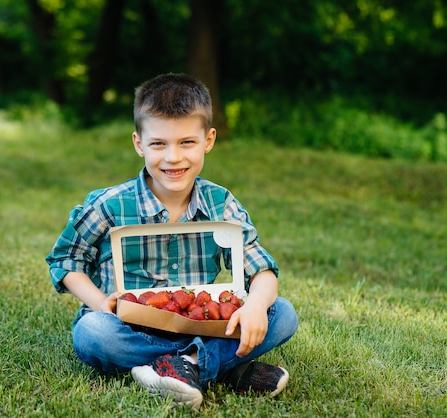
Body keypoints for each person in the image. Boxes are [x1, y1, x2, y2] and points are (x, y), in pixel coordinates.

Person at [46, 73, 298, 409]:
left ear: (208, 140)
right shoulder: (109, 204)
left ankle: (182, 367)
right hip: (130, 328)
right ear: (139, 143)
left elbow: (261, 268)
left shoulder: (220, 203)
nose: (173, 158)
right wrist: (99, 301)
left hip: (204, 323)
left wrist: (253, 306)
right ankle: (223, 369)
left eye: (187, 143)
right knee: (92, 333)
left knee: (282, 314)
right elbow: (66, 261)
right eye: (158, 144)